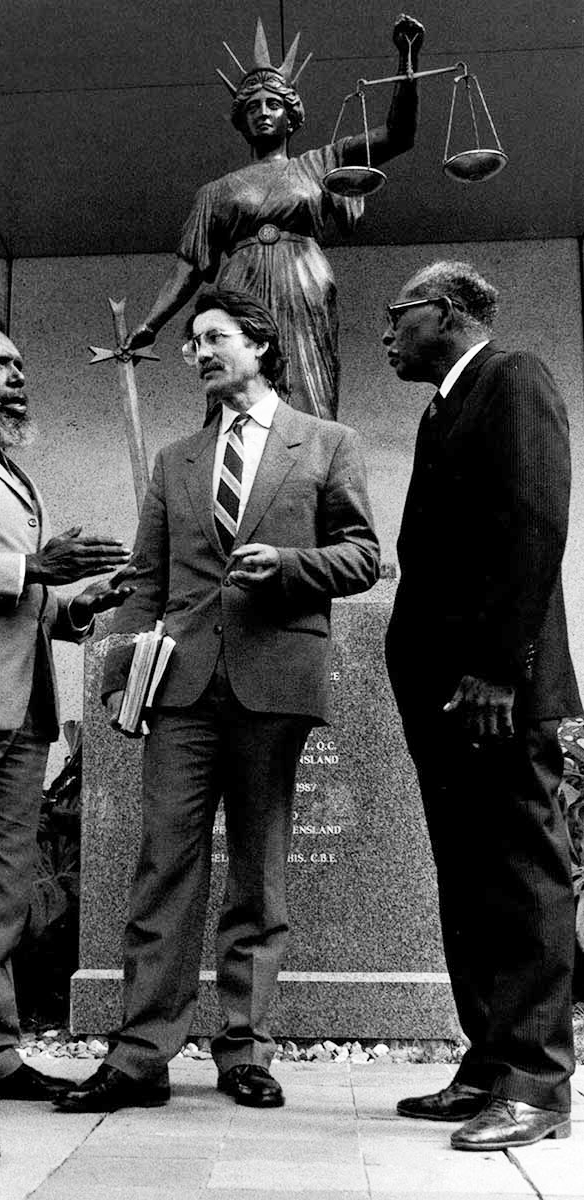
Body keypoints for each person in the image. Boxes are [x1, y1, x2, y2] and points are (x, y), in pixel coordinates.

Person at [55, 288, 379, 1114]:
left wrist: (293, 567)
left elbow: (363, 556)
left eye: (215, 338)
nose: (199, 352)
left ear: (262, 346)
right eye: (194, 341)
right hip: (184, 688)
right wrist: (122, 656)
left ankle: (245, 1049)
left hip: (276, 680)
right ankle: (140, 1056)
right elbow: (146, 581)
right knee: (166, 861)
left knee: (260, 870)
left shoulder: (327, 444)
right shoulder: (175, 461)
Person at [383, 261, 581, 1151]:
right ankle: (490, 1062)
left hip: (497, 692)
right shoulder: (442, 409)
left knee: (523, 870)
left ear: (451, 311)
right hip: (449, 698)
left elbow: (537, 521)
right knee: (469, 877)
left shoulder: (514, 378)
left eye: (400, 316)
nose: (388, 333)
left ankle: (538, 1084)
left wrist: (504, 668)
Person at [0, 316, 134, 1122]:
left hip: (23, 706)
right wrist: (31, 567)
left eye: (19, 363)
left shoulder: (3, 459)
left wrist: (77, 605)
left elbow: (20, 596)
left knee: (0, 891)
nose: (18, 376)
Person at [122, 15, 424, 420]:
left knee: (308, 389)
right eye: (252, 107)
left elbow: (398, 135)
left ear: (291, 115)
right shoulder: (216, 192)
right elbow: (190, 267)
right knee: (236, 387)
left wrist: (407, 61)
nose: (263, 113)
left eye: (273, 104)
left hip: (302, 284)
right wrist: (150, 325)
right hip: (239, 291)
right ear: (241, 120)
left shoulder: (323, 163)